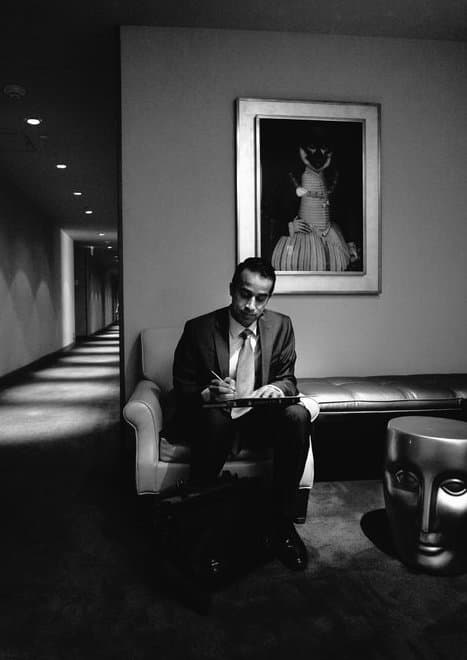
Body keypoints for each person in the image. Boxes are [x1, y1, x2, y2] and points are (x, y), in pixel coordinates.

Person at [172, 257, 311, 573]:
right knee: (215, 420)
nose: (251, 305)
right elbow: (182, 388)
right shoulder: (199, 329)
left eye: (261, 298)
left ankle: (281, 524)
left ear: (268, 298)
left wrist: (277, 387)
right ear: (231, 289)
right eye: (244, 294)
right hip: (214, 418)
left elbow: (289, 378)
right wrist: (207, 394)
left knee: (297, 416)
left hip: (258, 418)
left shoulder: (281, 325)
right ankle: (203, 525)